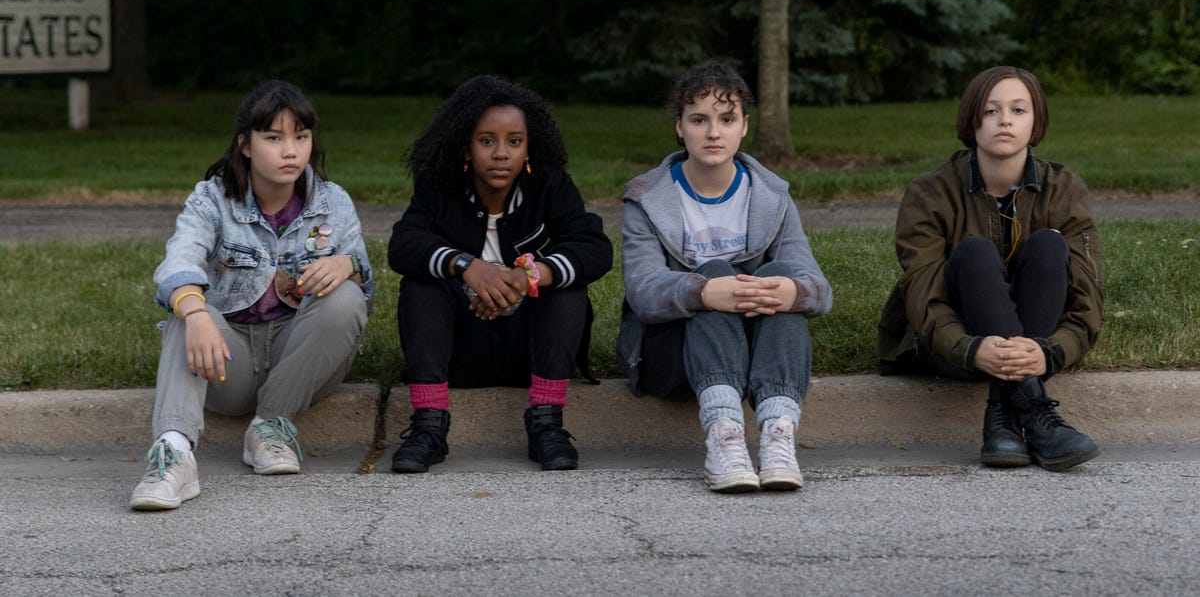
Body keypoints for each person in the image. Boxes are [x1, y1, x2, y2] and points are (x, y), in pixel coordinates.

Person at [129, 80, 373, 511]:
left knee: (346, 297)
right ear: (245, 144)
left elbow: (363, 292)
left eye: (301, 137)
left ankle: (270, 426)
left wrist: (347, 265)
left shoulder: (332, 201)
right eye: (274, 138)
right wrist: (196, 313)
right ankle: (174, 456)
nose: (291, 151)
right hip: (227, 362)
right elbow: (179, 262)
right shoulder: (212, 199)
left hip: (298, 359)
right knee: (186, 310)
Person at [617, 61, 833, 493]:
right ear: (680, 127)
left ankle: (777, 435)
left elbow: (819, 290)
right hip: (670, 356)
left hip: (753, 354)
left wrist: (793, 291)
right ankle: (724, 435)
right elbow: (643, 291)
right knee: (713, 272)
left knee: (781, 278)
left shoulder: (771, 196)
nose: (713, 133)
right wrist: (704, 291)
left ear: (744, 126)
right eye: (699, 120)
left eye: (727, 119)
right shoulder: (647, 197)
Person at [878, 65, 1103, 472]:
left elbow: (1088, 296)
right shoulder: (929, 193)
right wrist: (971, 348)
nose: (1004, 121)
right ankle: (1038, 416)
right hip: (953, 346)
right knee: (975, 252)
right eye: (990, 111)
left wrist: (1049, 352)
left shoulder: (1064, 189)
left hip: (1037, 339)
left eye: (1018, 110)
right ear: (972, 120)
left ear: (1036, 121)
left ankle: (1002, 418)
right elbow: (923, 295)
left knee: (1050, 245)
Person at [388, 75, 612, 473]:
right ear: (466, 146)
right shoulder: (439, 187)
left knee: (566, 286)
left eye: (514, 141)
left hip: (531, 351)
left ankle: (547, 425)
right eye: (487, 141)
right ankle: (428, 427)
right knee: (420, 283)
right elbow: (404, 244)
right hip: (459, 351)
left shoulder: (550, 186)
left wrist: (530, 277)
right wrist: (467, 267)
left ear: (529, 147)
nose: (501, 153)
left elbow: (594, 247)